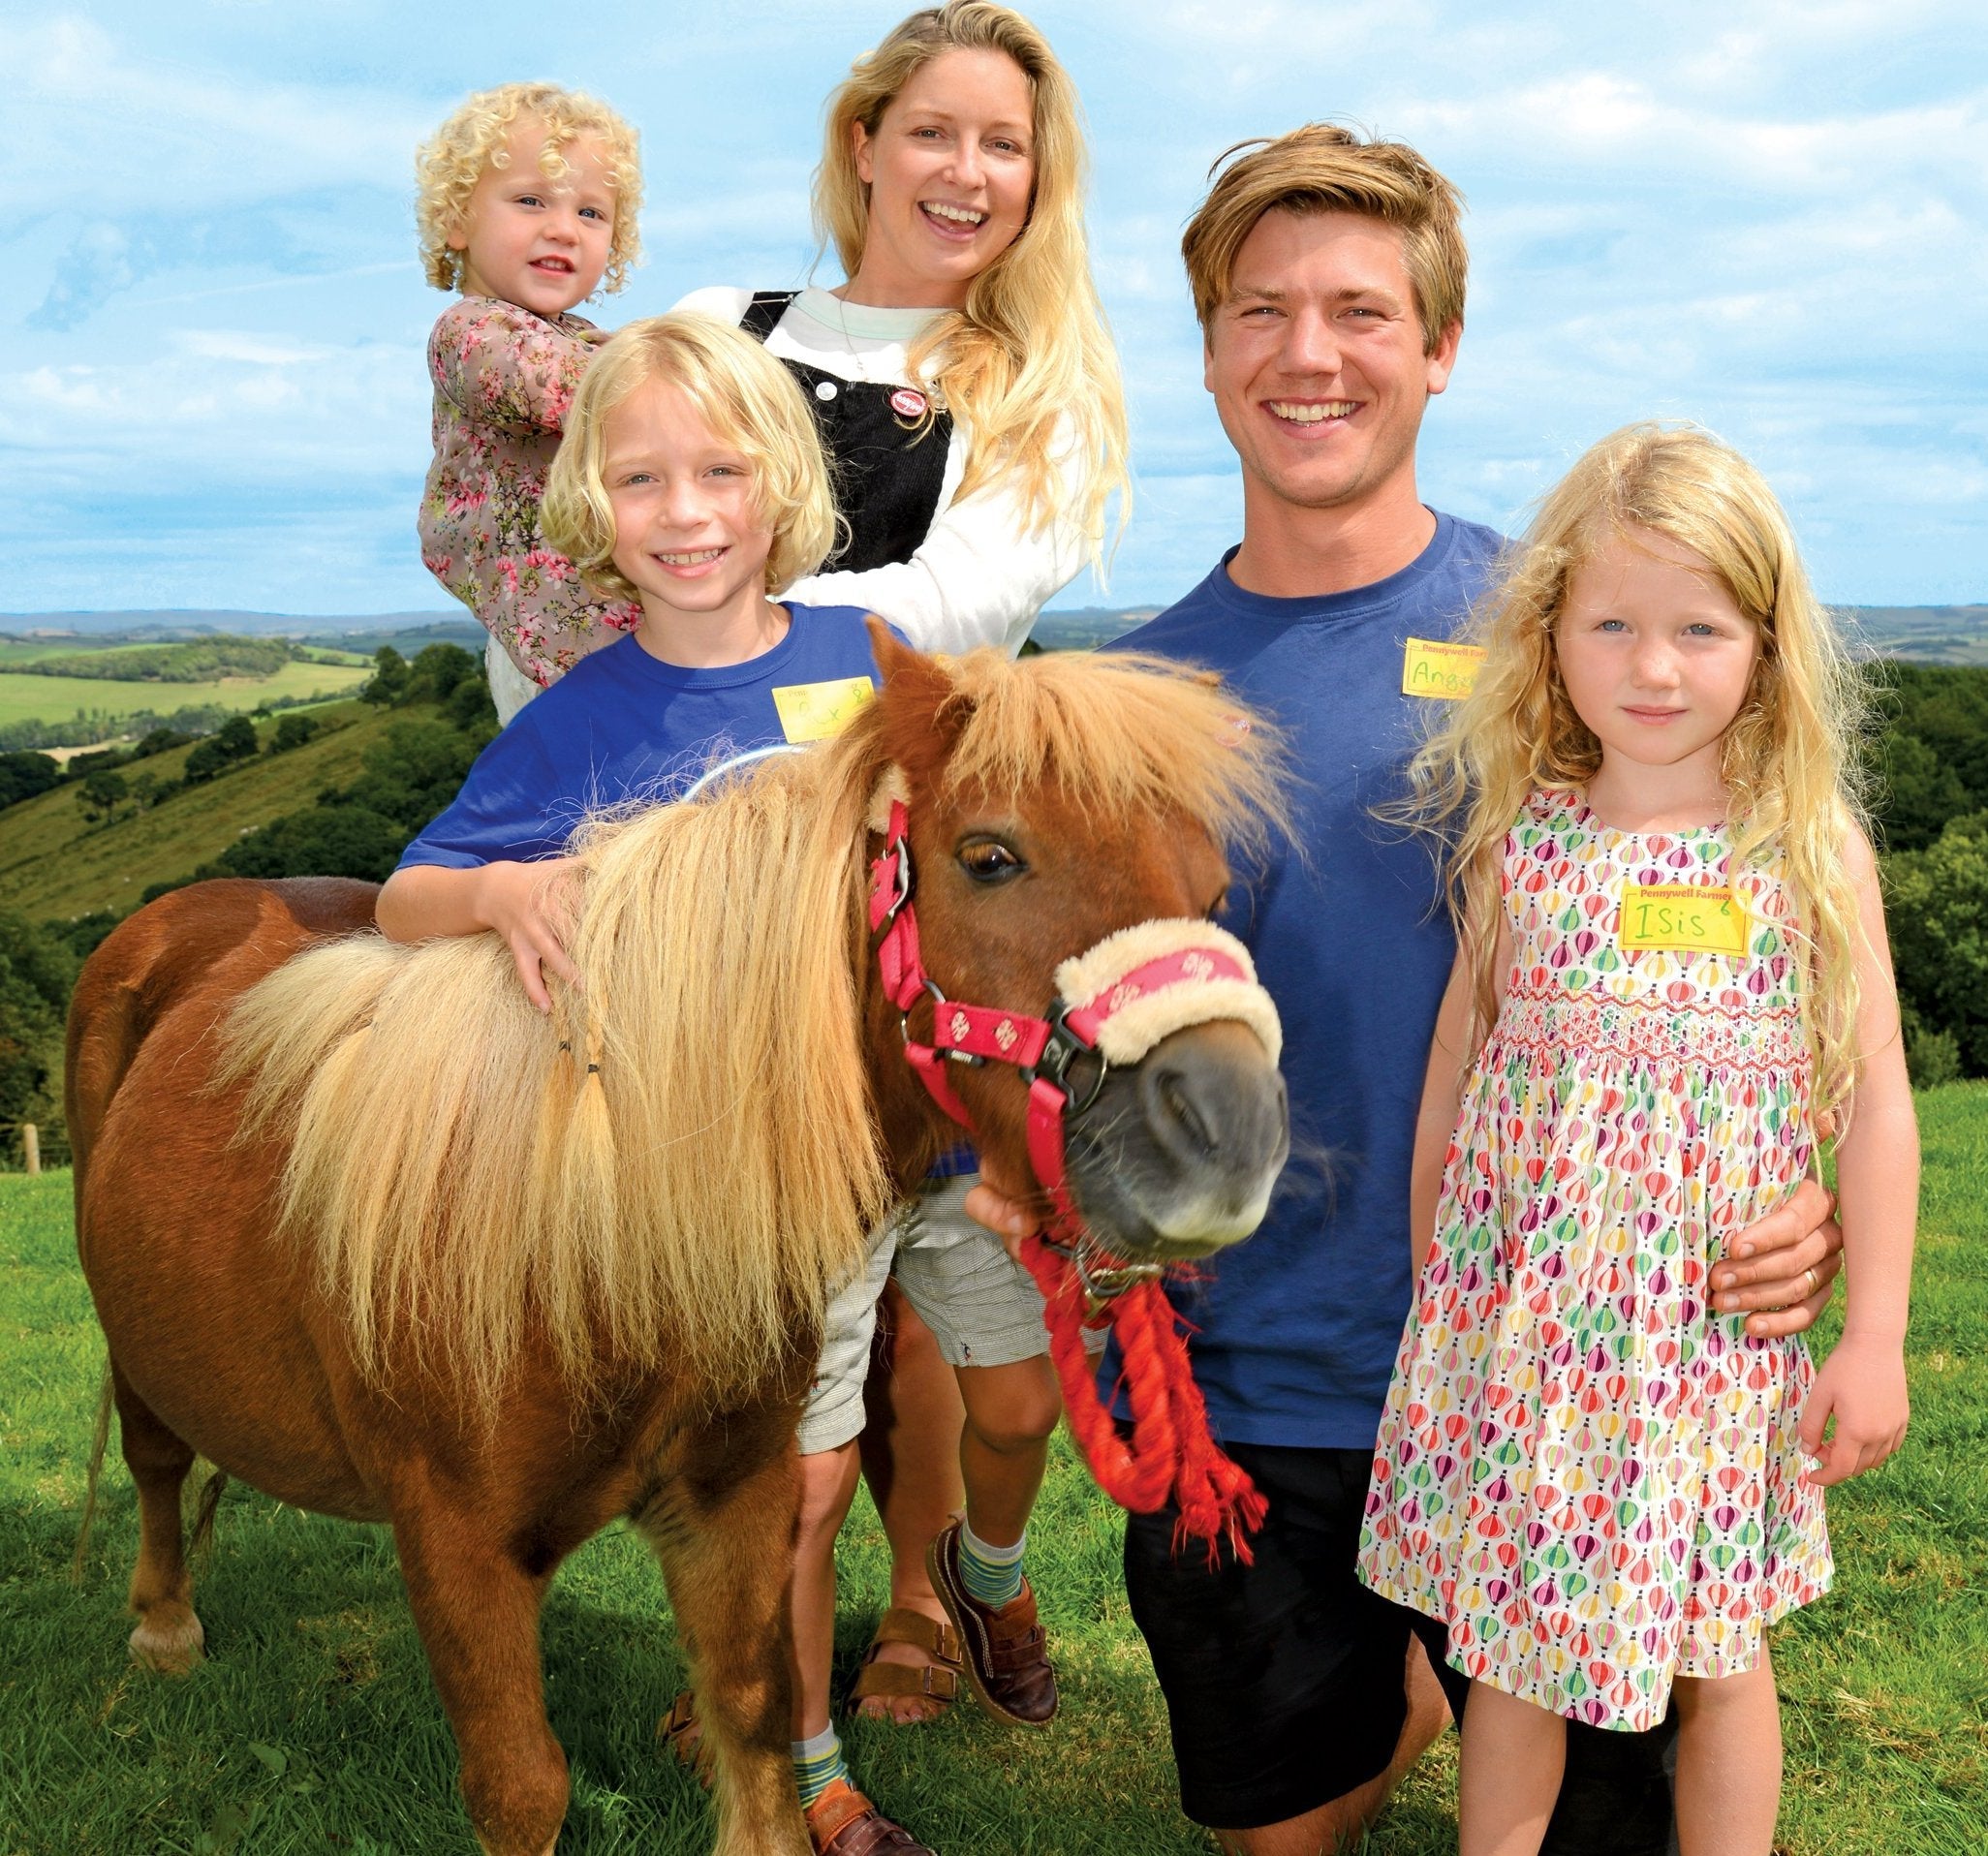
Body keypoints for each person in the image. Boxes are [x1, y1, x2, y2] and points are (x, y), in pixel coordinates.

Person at [967, 124, 1847, 1856]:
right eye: (1259, 311)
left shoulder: (1579, 630)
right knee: (1283, 1834)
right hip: (1252, 1387)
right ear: (1210, 348)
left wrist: (1797, 1182)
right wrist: (1034, 1179)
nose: (1309, 354)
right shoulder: (1130, 694)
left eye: (1360, 312)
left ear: (1437, 348)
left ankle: (1459, 1657)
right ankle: (1411, 1674)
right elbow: (1042, 998)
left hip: (1571, 1377)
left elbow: (1763, 923)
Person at [669, 0, 1132, 1800]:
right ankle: (778, 1685)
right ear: (862, 140)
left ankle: (955, 1587)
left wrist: (709, 646)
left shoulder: (1040, 390)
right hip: (718, 898)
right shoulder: (716, 329)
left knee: (971, 1317)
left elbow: (946, 613)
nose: (964, 170)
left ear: (1037, 181)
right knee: (772, 1326)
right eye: (931, 130)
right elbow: (593, 531)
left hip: (923, 889)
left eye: (1002, 145)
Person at [1355, 423, 1916, 1856]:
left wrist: (1873, 1339)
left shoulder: (1802, 848)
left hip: (1704, 1349)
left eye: (1697, 629)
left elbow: (1879, 1104)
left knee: (1721, 1655)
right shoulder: (1520, 840)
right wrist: (1441, 1283)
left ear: (1767, 647)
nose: (1653, 669)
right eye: (1612, 624)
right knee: (1513, 1648)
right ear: (1551, 641)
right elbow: (1456, 1075)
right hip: (1523, 1341)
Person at [413, 81, 647, 722]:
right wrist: (686, 361)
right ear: (457, 219)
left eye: (591, 213)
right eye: (530, 201)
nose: (563, 230)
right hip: (551, 657)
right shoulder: (473, 331)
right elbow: (561, 385)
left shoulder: (571, 337)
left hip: (595, 640)